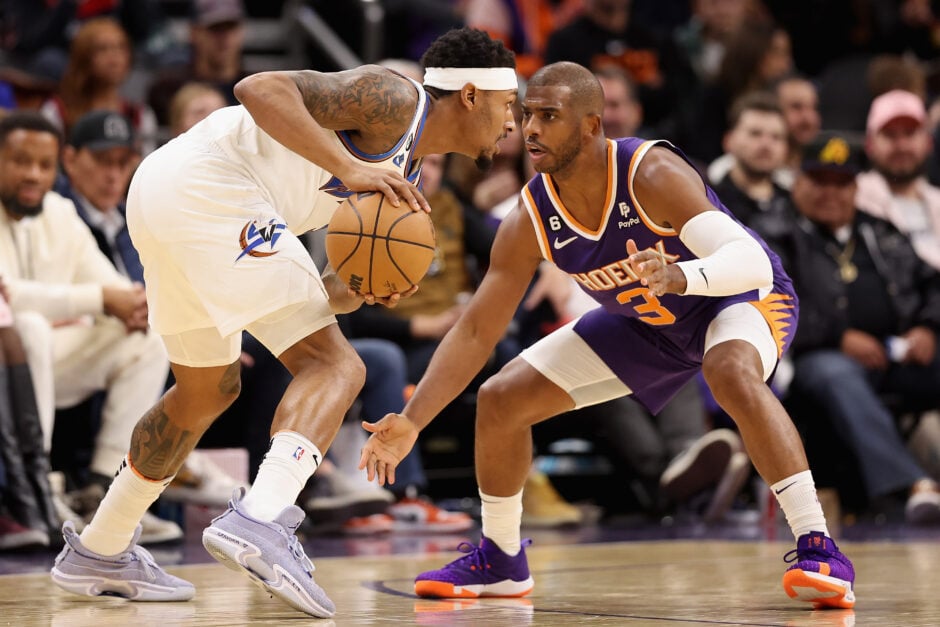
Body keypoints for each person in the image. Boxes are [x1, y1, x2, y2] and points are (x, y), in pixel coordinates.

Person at [50, 26, 518, 619]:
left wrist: (357, 289)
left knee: (205, 391)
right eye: (508, 106)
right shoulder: (396, 97)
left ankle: (100, 547)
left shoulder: (409, 170)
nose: (512, 124)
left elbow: (322, 293)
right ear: (471, 95)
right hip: (211, 184)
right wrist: (349, 167)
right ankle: (263, 520)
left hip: (172, 194)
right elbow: (260, 86)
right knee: (336, 366)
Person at [359, 61, 855, 609]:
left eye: (549, 116)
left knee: (728, 369)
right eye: (527, 115)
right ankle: (500, 559)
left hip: (738, 298)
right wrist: (412, 421)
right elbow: (476, 330)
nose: (530, 130)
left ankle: (818, 544)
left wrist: (681, 276)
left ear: (592, 125)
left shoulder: (650, 172)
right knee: (500, 399)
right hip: (646, 320)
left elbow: (750, 261)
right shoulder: (529, 218)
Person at [0, 112, 179, 545]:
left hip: (49, 361)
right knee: (28, 328)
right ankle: (35, 489)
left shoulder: (60, 212)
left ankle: (107, 489)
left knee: (148, 338)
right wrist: (96, 301)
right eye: (21, 162)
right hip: (9, 367)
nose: (34, 175)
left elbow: (111, 285)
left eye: (44, 165)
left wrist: (133, 304)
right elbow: (5, 297)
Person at [755, 132, 940, 525]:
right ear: (797, 180)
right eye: (819, 181)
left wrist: (928, 327)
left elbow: (932, 283)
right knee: (836, 374)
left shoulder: (879, 230)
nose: (831, 193)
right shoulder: (774, 232)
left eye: (842, 184)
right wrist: (838, 336)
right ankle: (911, 487)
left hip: (898, 354)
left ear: (857, 187)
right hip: (813, 360)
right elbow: (769, 301)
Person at [857, 89, 940, 271]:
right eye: (890, 135)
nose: (902, 146)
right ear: (869, 144)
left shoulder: (937, 200)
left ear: (928, 141)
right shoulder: (852, 199)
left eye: (910, 134)